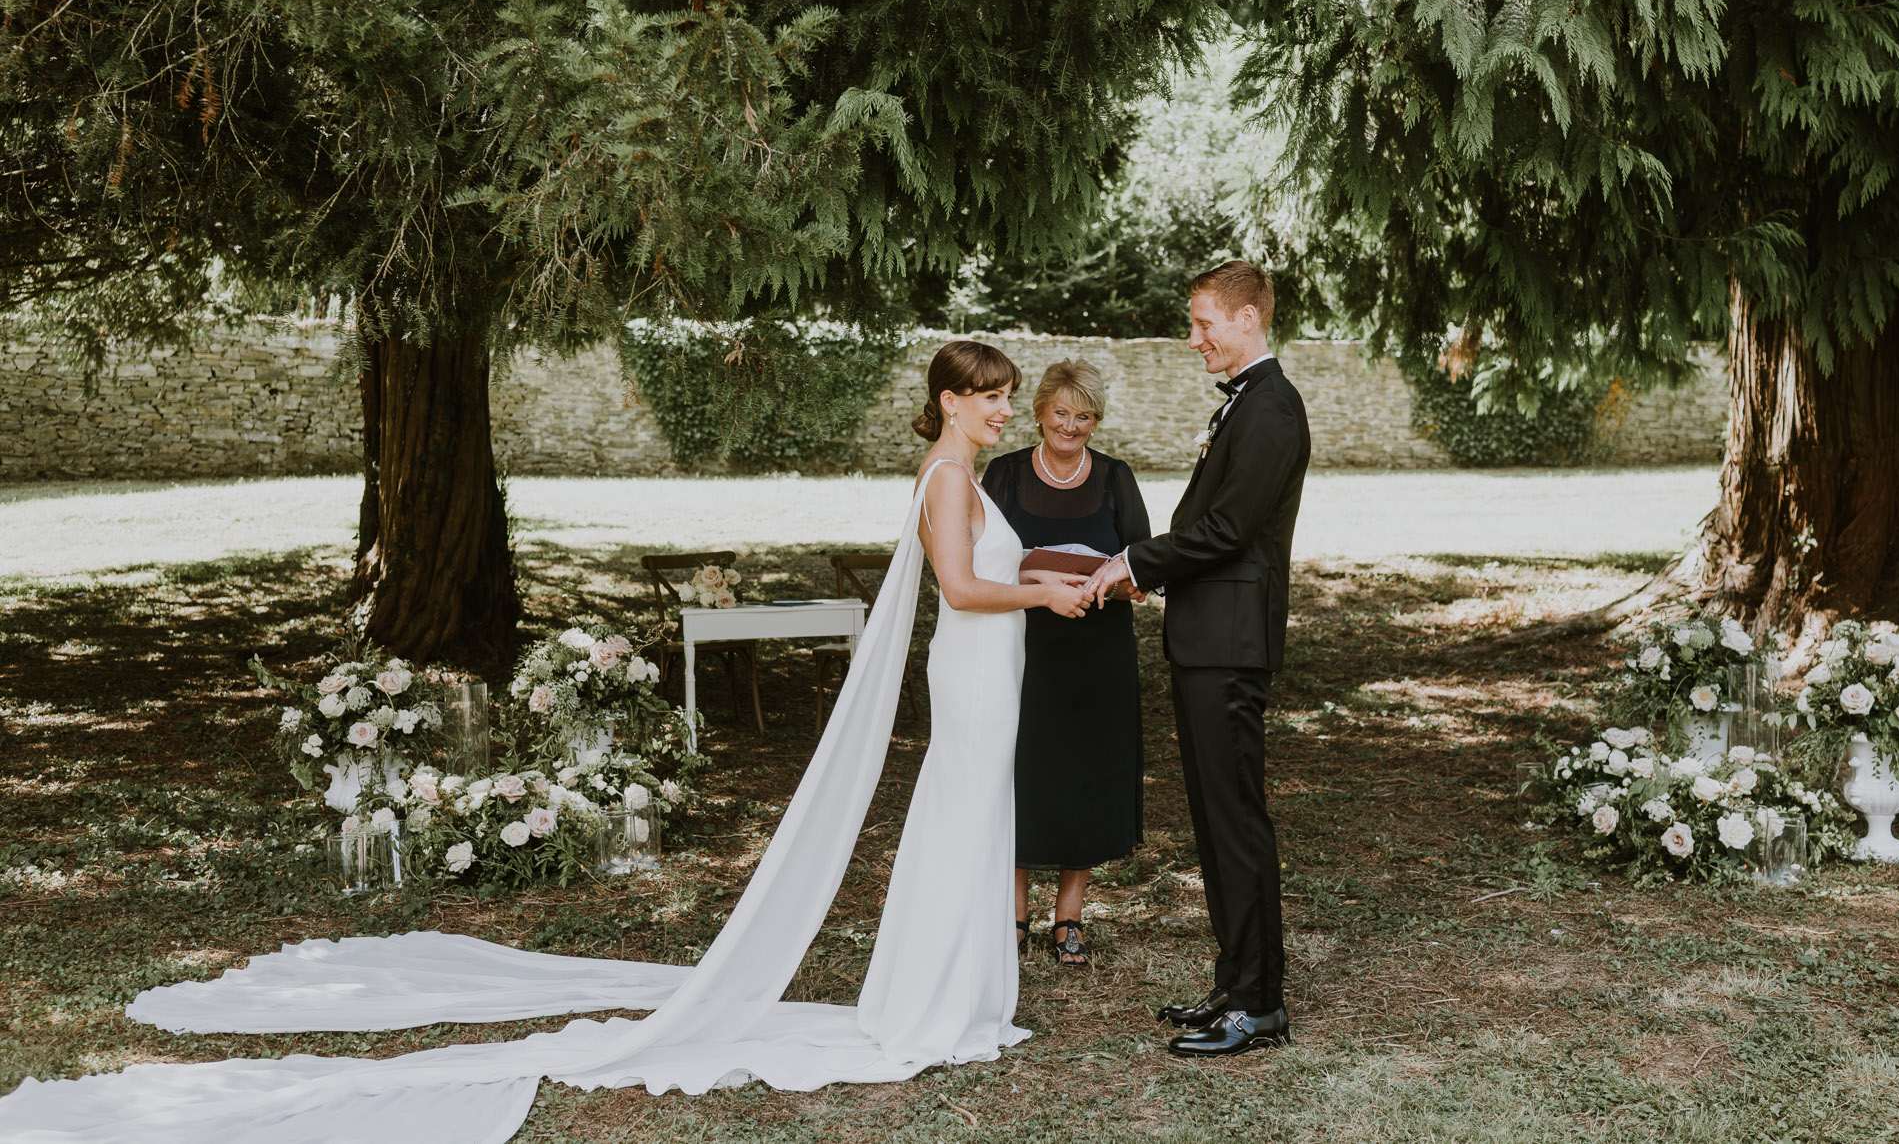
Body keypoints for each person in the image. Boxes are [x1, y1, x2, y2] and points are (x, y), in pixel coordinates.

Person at [0, 340, 1092, 1144]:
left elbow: (987, 574)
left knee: (972, 812)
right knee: (958, 814)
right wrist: (1039, 598)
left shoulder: (969, 476)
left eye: (1003, 401)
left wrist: (1050, 577)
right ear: (949, 401)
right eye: (990, 399)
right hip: (976, 666)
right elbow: (957, 585)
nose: (1001, 413)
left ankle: (951, 991)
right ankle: (932, 1003)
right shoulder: (949, 476)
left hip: (990, 661)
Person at [1084, 260, 1310, 1059]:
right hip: (1207, 639)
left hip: (1230, 643)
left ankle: (1260, 1003)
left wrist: (1134, 563)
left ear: (1248, 318)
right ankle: (1234, 979)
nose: (1194, 338)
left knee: (1237, 823)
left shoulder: (1274, 408)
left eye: (1205, 322)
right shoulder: (1249, 404)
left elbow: (1228, 532)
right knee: (1216, 824)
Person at [982, 359, 1151, 967]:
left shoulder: (1115, 477)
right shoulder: (1002, 474)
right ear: (1040, 413)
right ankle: (1014, 913)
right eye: (1061, 414)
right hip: (1021, 642)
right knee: (1021, 767)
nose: (1071, 427)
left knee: (1086, 770)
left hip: (1097, 646)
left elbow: (1142, 564)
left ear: (1096, 420)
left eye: (1084, 417)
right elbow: (982, 562)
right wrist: (1039, 570)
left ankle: (1070, 916)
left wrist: (1118, 578)